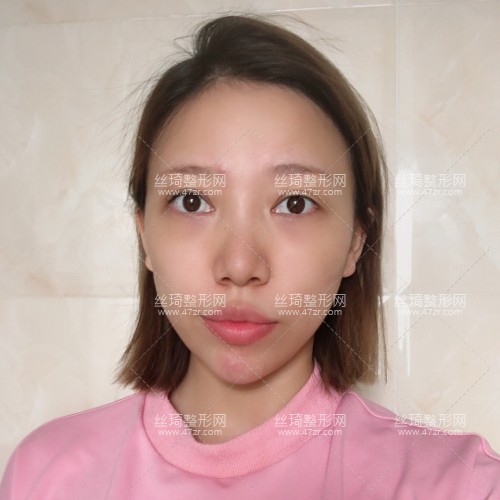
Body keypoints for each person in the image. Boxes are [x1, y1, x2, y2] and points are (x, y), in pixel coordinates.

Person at [1, 13, 499, 500]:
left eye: (295, 203)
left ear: (355, 242)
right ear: (144, 235)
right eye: (192, 201)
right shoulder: (44, 475)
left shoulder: (461, 486)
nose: (240, 266)